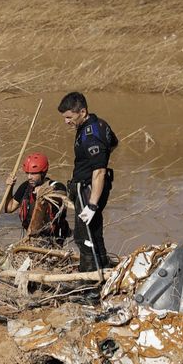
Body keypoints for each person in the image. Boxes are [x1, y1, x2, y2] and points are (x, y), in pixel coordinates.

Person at [57, 92, 118, 271]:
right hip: (89, 188)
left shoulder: (91, 136)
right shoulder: (100, 124)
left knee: (84, 236)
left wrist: (92, 205)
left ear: (82, 112)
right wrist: (101, 157)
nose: (66, 121)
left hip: (89, 190)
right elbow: (114, 143)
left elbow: (99, 171)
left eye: (69, 117)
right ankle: (103, 269)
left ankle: (90, 282)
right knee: (94, 231)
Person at [4, 153, 70, 246]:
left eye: (33, 173)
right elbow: (9, 208)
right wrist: (10, 187)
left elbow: (61, 195)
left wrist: (44, 191)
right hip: (31, 237)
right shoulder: (25, 186)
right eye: (28, 173)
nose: (29, 177)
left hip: (54, 238)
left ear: (43, 173)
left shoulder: (57, 186)